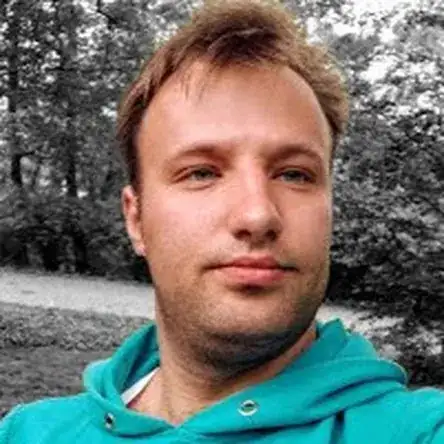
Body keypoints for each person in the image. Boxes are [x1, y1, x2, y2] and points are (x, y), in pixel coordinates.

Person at [1, 0, 444, 442]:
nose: (257, 215)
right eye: (201, 173)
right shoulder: (27, 433)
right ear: (136, 219)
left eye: (294, 174)